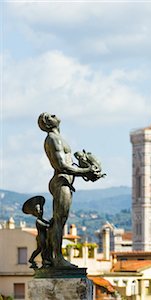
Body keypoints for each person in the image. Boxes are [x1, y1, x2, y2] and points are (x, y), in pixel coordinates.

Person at [38, 112, 101, 267]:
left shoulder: (58, 138)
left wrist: (86, 170)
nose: (54, 115)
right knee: (59, 220)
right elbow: (61, 166)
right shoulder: (52, 139)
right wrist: (86, 171)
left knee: (61, 219)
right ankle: (58, 258)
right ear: (47, 123)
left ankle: (54, 257)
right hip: (61, 181)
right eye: (50, 116)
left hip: (65, 182)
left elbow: (69, 166)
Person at [22, 196, 52, 268]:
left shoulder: (42, 220)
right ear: (35, 213)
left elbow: (47, 223)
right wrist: (51, 223)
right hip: (41, 237)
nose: (40, 211)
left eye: (41, 209)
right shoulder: (38, 221)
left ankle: (31, 259)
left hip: (42, 236)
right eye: (38, 210)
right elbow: (46, 225)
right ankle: (45, 260)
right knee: (44, 248)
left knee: (39, 249)